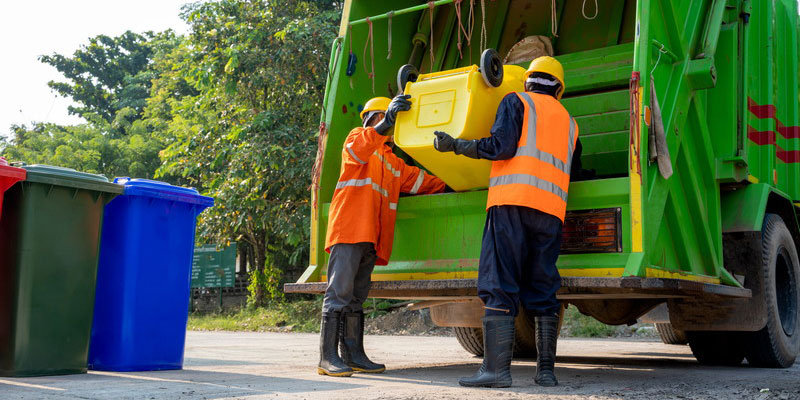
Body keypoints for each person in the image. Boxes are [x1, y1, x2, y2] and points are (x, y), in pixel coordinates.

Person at [433, 56, 581, 388]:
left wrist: (456, 145)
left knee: (499, 282)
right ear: (559, 88)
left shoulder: (516, 101)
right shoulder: (571, 122)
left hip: (511, 204)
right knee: (543, 287)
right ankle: (546, 372)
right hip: (550, 212)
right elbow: (576, 169)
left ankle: (496, 371)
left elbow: (500, 147)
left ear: (528, 81)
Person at [319, 95, 446, 377]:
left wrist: (454, 182)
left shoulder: (393, 162)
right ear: (374, 118)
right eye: (386, 118)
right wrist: (386, 121)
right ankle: (327, 358)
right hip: (349, 230)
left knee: (356, 297)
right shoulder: (357, 139)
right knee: (338, 294)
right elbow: (359, 149)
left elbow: (421, 181)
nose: (389, 125)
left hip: (370, 237)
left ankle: (353, 354)